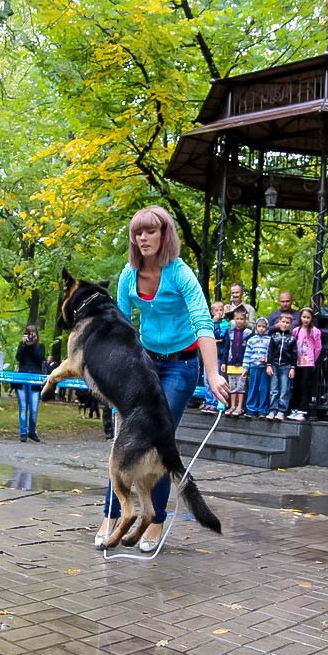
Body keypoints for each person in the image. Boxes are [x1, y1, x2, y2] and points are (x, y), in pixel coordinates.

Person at [94, 205, 228, 553]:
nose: (143, 238)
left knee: (157, 441)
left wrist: (212, 374)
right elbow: (119, 328)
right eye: (137, 233)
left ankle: (155, 520)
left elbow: (203, 323)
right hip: (144, 364)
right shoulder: (129, 274)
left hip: (181, 367)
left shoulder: (181, 275)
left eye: (150, 231)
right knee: (124, 442)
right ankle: (110, 515)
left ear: (164, 235)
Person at [289, 307, 322, 421]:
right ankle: (294, 408)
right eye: (304, 317)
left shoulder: (315, 331)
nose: (306, 320)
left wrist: (313, 359)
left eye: (308, 317)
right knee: (296, 385)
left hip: (307, 362)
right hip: (297, 362)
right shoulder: (296, 330)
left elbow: (318, 347)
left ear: (312, 318)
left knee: (305, 385)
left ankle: (303, 410)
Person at [14, 324, 46, 442]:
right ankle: (23, 432)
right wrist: (23, 345)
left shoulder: (40, 347)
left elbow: (40, 359)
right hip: (22, 377)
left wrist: (32, 346)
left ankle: (32, 431)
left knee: (33, 408)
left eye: (34, 334)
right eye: (29, 334)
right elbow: (18, 358)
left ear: (37, 335)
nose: (32, 336)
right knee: (23, 407)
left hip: (35, 379)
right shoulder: (22, 345)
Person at [199, 301, 229, 414]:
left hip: (220, 355)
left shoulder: (226, 323)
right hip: (209, 356)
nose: (219, 313)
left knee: (218, 379)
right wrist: (214, 323)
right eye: (216, 310)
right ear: (212, 312)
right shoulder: (209, 323)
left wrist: (217, 326)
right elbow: (207, 335)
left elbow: (222, 336)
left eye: (221, 310)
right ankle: (209, 402)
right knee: (207, 379)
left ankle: (218, 402)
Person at [221, 305, 252, 416]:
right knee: (232, 386)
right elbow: (226, 348)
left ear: (245, 320)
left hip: (243, 364)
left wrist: (248, 364)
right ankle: (232, 406)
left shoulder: (248, 333)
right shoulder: (229, 333)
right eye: (237, 319)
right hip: (231, 363)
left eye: (241, 319)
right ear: (234, 319)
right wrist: (224, 362)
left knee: (241, 386)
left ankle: (240, 407)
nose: (239, 321)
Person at [265, 313, 296, 420]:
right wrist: (269, 365)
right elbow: (270, 351)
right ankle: (272, 410)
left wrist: (293, 367)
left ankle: (281, 411)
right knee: (273, 389)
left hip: (286, 366)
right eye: (283, 322)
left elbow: (294, 354)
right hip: (274, 365)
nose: (285, 324)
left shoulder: (292, 338)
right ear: (279, 322)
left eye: (287, 323)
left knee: (284, 389)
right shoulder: (274, 336)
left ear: (291, 325)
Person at [241, 317, 270, 418]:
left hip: (264, 368)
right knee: (252, 388)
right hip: (253, 366)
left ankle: (263, 409)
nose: (261, 328)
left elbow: (270, 354)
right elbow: (247, 355)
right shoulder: (251, 340)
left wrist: (267, 359)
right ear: (256, 327)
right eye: (259, 326)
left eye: (263, 327)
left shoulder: (269, 340)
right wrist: (245, 368)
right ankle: (251, 409)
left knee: (263, 388)